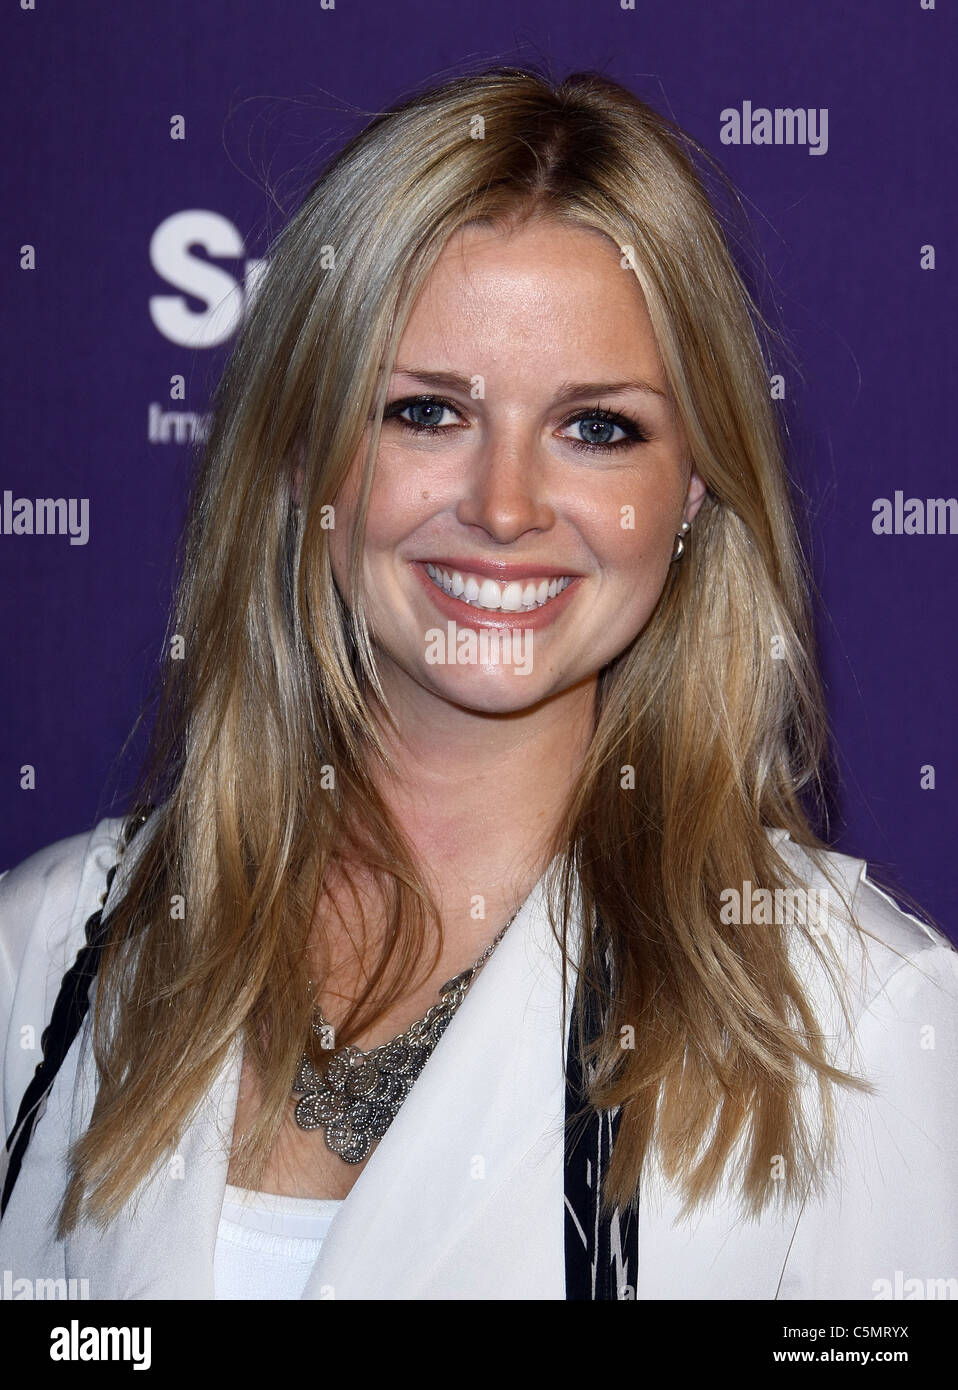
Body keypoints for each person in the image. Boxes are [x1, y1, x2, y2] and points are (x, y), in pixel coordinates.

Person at [1, 64, 956, 1302]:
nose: (504, 508)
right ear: (299, 457)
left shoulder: (856, 1029)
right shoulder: (42, 953)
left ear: (694, 488)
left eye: (596, 426)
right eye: (425, 412)